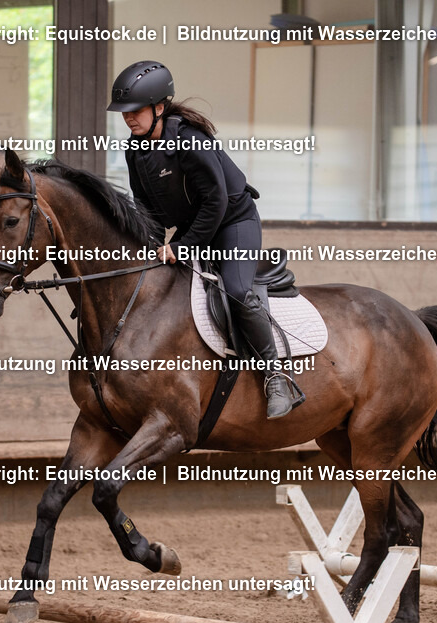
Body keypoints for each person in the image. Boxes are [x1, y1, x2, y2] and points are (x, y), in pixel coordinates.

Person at [107, 60, 304, 419]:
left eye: (135, 111)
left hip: (233, 222)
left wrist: (182, 246)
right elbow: (144, 206)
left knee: (238, 289)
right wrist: (150, 246)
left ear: (159, 107)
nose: (129, 119)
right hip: (196, 225)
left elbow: (215, 202)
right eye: (125, 113)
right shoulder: (135, 149)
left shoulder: (191, 142)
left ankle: (277, 375)